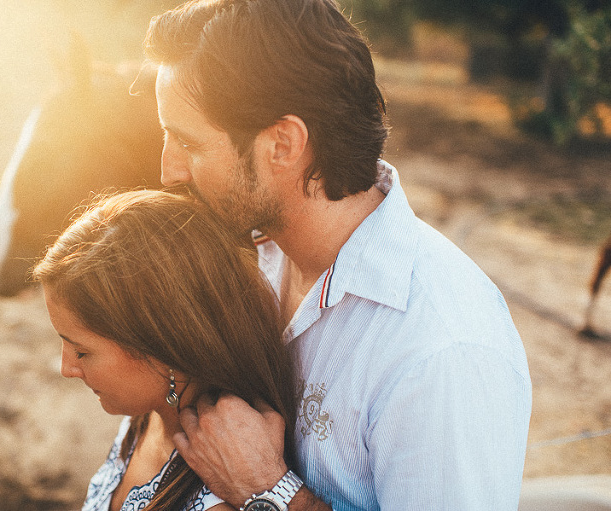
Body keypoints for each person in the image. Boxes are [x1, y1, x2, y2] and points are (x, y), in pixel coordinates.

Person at [144, 0, 533, 510]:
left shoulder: (443, 351)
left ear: (282, 144)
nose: (168, 171)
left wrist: (270, 491)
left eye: (188, 144)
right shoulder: (251, 258)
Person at [32, 190, 300, 511]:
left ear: (161, 345)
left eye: (82, 351)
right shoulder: (151, 410)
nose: (66, 368)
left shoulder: (216, 502)